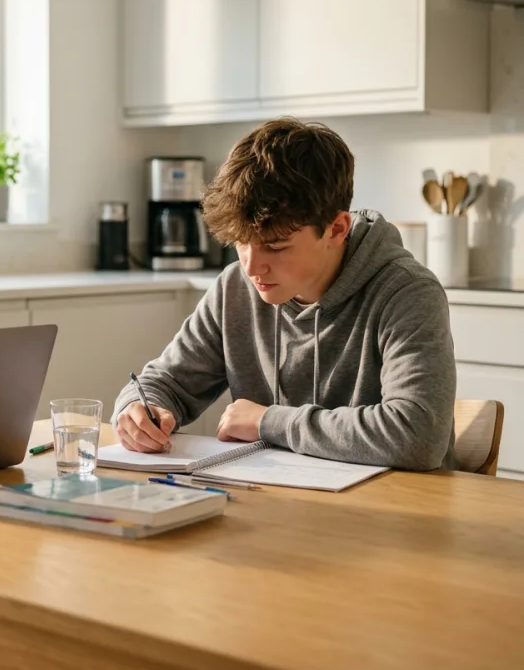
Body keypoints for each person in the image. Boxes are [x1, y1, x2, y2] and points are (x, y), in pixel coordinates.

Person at [113, 117, 457, 471]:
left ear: (337, 229)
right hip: (275, 501)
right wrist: (136, 412)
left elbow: (418, 437)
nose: (251, 267)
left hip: (396, 510)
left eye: (275, 246)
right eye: (240, 243)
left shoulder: (407, 292)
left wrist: (269, 422)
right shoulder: (235, 289)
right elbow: (163, 382)